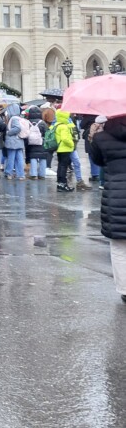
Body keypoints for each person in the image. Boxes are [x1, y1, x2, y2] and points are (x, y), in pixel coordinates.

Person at [88, 115, 126, 303]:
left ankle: (125, 289)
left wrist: (94, 136)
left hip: (116, 196)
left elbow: (98, 162)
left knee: (119, 246)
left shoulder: (102, 138)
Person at [52, 110, 76, 192]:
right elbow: (65, 138)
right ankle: (63, 184)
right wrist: (71, 144)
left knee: (60, 166)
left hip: (59, 148)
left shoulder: (56, 124)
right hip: (65, 148)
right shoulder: (64, 126)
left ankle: (59, 184)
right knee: (63, 167)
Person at [3, 103, 26, 180]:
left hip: (13, 142)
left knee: (11, 158)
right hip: (19, 141)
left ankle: (9, 173)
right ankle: (21, 174)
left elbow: (17, 128)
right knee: (19, 158)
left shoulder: (14, 118)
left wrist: (8, 132)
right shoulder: (19, 118)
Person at [25, 106, 48, 179]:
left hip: (31, 143)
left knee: (33, 157)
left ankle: (33, 174)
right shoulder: (42, 122)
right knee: (42, 158)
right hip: (41, 142)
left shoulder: (27, 122)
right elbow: (46, 132)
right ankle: (42, 174)